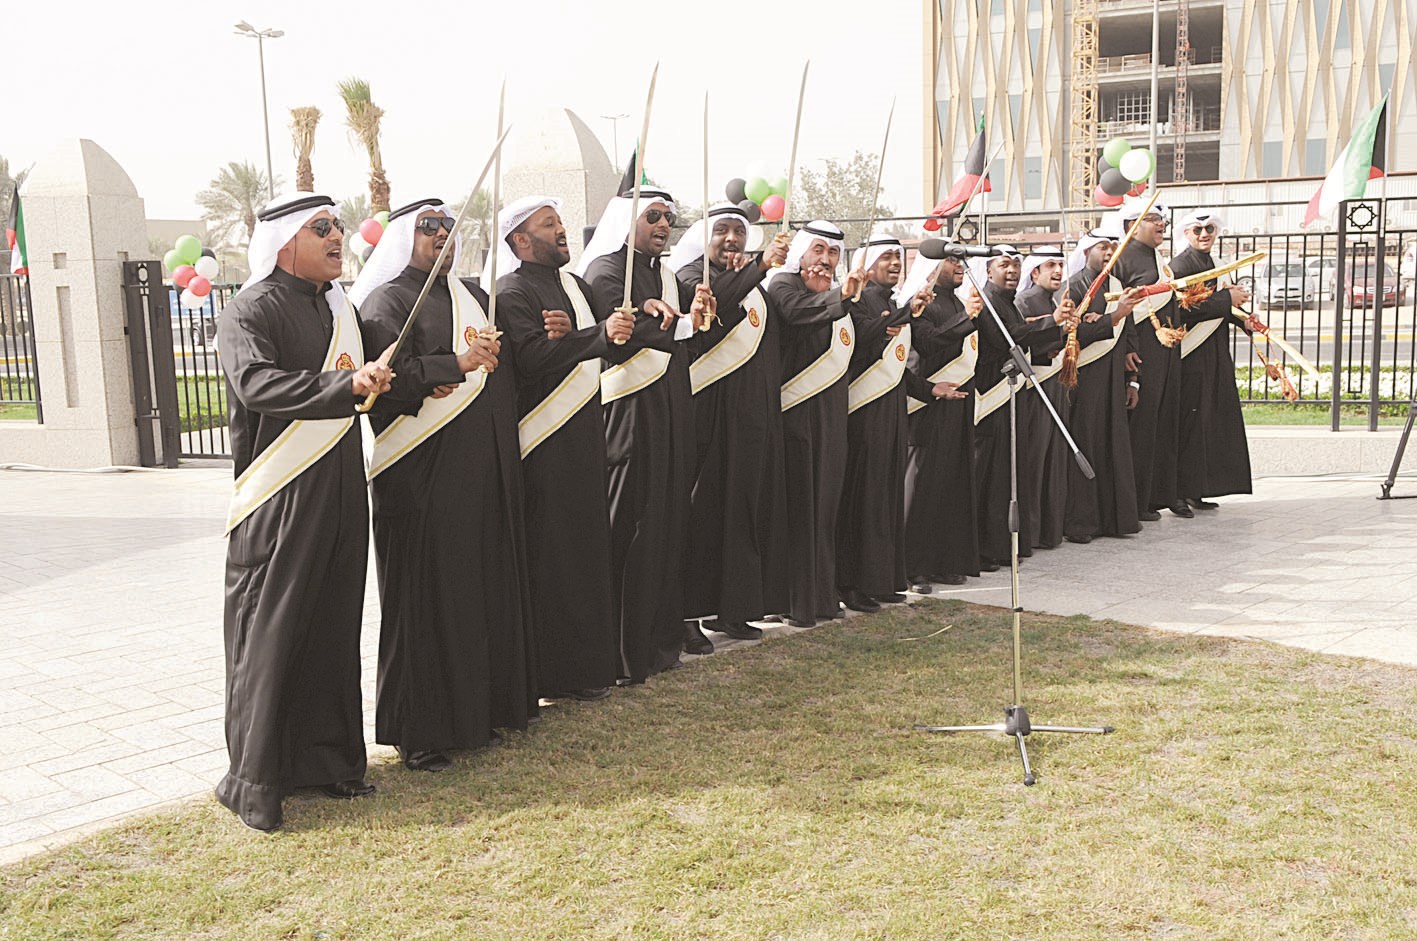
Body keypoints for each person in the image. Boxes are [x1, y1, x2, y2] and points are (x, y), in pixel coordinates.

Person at [215, 192, 392, 831]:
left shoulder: (339, 305)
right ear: (286, 240)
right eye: (323, 228)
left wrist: (445, 367)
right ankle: (255, 782)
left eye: (339, 226)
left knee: (331, 624)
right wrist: (343, 386)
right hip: (277, 497)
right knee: (273, 632)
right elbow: (256, 385)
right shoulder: (250, 309)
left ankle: (330, 764)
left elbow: (378, 370)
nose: (337, 236)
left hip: (341, 487)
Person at [354, 197, 537, 773]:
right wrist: (446, 367)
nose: (443, 237)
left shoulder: (474, 299)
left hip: (482, 465)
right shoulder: (387, 301)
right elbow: (385, 385)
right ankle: (423, 729)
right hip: (421, 472)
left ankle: (483, 711)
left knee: (480, 586)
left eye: (451, 229)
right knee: (427, 595)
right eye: (430, 228)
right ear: (405, 236)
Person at [491, 195, 633, 701]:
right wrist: (588, 337)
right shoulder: (510, 290)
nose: (562, 230)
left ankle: (586, 669)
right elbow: (531, 358)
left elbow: (597, 340)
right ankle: (550, 674)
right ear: (521, 241)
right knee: (551, 558)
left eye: (560, 221)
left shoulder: (572, 285)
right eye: (548, 224)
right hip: (543, 443)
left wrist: (581, 335)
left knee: (584, 552)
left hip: (584, 434)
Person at [579, 188, 710, 683]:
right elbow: (622, 336)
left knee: (668, 523)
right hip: (630, 413)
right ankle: (619, 651)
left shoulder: (670, 277)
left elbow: (677, 333)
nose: (663, 225)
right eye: (652, 216)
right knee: (630, 528)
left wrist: (691, 319)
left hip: (672, 408)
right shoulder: (608, 271)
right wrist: (676, 326)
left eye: (669, 218)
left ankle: (659, 641)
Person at [670, 204, 791, 653]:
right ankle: (685, 616)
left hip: (748, 421)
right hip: (706, 416)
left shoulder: (751, 282)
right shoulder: (688, 278)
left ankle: (733, 608)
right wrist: (760, 265)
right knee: (701, 515)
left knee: (739, 513)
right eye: (721, 231)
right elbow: (714, 304)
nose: (731, 240)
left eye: (738, 232)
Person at [763, 222, 866, 626]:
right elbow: (795, 313)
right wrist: (839, 296)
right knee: (797, 509)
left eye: (833, 253)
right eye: (818, 250)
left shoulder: (837, 295)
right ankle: (793, 601)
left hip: (830, 416)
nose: (825, 259)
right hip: (794, 417)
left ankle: (821, 594)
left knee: (824, 507)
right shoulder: (783, 284)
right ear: (801, 253)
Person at [837, 235, 927, 610]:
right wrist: (902, 316)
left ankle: (883, 577)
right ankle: (854, 583)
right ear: (868, 264)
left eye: (897, 257)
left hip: (891, 409)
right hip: (864, 411)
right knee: (865, 497)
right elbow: (858, 345)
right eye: (886, 257)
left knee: (886, 495)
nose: (894, 263)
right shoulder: (859, 300)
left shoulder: (890, 302)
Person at [971, 249, 1076, 568]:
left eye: (1016, 265)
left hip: (1010, 396)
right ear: (989, 271)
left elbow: (1023, 331)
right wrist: (1052, 321)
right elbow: (1006, 338)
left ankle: (1003, 546)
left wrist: (1057, 327)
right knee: (990, 477)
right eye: (1004, 265)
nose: (1012, 271)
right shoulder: (988, 300)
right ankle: (985, 549)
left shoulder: (1006, 300)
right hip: (990, 395)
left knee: (1007, 474)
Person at [898, 247, 979, 591]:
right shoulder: (922, 303)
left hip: (956, 404)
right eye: (951, 259)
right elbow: (928, 344)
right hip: (926, 404)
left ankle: (943, 561)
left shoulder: (958, 303)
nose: (958, 265)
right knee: (921, 487)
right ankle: (913, 566)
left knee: (949, 484)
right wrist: (968, 320)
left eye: (960, 260)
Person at [1062, 229, 1145, 542]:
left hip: (1112, 379)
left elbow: (1130, 337)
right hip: (1083, 381)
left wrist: (1133, 380)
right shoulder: (1072, 287)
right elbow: (1072, 336)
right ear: (1086, 252)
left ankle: (1115, 520)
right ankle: (1081, 523)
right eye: (1103, 247)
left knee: (1113, 447)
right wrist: (1113, 317)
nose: (1110, 253)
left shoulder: (1117, 286)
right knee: (1086, 444)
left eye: (1113, 247)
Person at [1171, 210, 1256, 510]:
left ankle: (1199, 487)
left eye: (1209, 229)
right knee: (1189, 422)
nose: (1204, 234)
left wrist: (1242, 320)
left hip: (1216, 352)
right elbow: (1181, 310)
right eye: (1198, 230)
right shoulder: (1178, 267)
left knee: (1210, 421)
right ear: (1187, 234)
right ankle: (1178, 492)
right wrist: (1225, 301)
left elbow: (1221, 307)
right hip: (1190, 356)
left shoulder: (1219, 266)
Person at [1111, 200, 1189, 521]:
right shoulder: (1121, 260)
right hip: (1142, 353)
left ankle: (1159, 494)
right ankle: (1137, 501)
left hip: (1166, 353)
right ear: (1132, 225)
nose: (1161, 225)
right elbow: (1121, 308)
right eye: (1154, 219)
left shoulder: (1158, 259)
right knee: (1141, 426)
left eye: (1163, 221)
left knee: (1163, 422)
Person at [1013, 249, 1074, 550]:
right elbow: (1022, 341)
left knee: (1053, 460)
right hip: (1035, 389)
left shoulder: (1053, 300)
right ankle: (1032, 533)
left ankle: (1049, 531)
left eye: (1061, 265)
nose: (1058, 271)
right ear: (1034, 272)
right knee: (1035, 462)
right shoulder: (1025, 301)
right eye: (1050, 265)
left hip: (1055, 386)